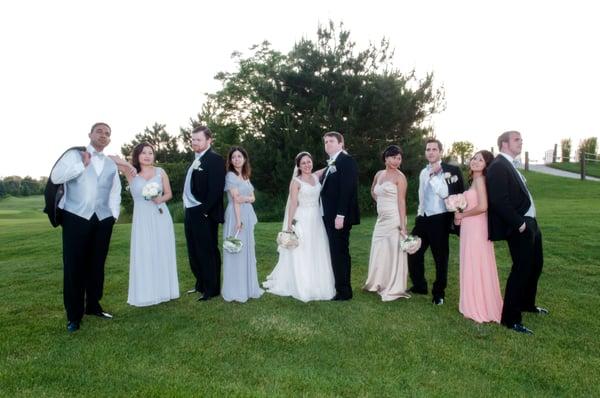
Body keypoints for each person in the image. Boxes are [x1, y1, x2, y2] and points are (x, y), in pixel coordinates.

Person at [49, 122, 121, 332]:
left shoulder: (110, 163)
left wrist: (113, 216)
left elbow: (115, 191)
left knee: (97, 266)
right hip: (76, 218)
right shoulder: (75, 156)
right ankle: (74, 315)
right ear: (90, 134)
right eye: (99, 131)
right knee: (74, 267)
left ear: (109, 140)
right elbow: (56, 177)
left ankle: (93, 306)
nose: (103, 135)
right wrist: (82, 165)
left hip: (103, 220)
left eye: (107, 133)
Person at [487, 131, 547, 334]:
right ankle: (510, 318)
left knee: (535, 265)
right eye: (517, 139)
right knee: (521, 269)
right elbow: (498, 200)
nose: (521, 142)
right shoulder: (498, 166)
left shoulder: (511, 165)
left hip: (531, 223)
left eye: (521, 139)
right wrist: (519, 224)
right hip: (519, 226)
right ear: (504, 144)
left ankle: (527, 304)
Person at [109, 143, 179, 307]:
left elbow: (169, 193)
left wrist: (159, 199)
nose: (148, 156)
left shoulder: (160, 172)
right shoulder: (130, 172)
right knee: (145, 252)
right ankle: (147, 293)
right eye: (143, 153)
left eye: (150, 153)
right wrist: (127, 164)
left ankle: (164, 291)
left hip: (160, 215)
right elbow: (109, 159)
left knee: (162, 251)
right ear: (137, 155)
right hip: (142, 219)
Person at [263, 152, 336, 302]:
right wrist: (289, 224)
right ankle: (302, 283)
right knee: (302, 250)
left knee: (317, 249)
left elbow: (330, 165)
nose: (307, 165)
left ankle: (318, 283)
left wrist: (336, 159)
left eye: (309, 162)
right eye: (303, 163)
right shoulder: (296, 182)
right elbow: (293, 204)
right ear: (298, 166)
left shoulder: (316, 176)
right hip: (302, 218)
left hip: (316, 219)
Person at [408, 138, 464, 305]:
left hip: (440, 219)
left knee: (440, 258)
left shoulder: (450, 170)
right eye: (428, 149)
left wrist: (434, 175)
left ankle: (439, 293)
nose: (430, 152)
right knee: (411, 248)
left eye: (434, 149)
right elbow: (421, 194)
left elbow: (446, 193)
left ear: (440, 152)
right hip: (423, 218)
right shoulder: (423, 172)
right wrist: (419, 213)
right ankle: (419, 285)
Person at [453, 150, 502, 323]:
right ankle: (472, 301)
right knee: (471, 262)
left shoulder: (480, 180)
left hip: (477, 228)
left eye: (480, 160)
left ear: (486, 165)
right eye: (474, 158)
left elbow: (483, 207)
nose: (475, 161)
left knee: (476, 262)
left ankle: (478, 305)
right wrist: (458, 213)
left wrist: (463, 215)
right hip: (469, 227)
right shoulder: (473, 181)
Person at [183, 126, 226, 301]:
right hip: (190, 211)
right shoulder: (196, 159)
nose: (194, 142)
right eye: (193, 139)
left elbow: (216, 189)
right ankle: (200, 284)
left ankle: (212, 289)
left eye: (198, 139)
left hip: (204, 213)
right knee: (193, 249)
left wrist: (205, 211)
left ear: (209, 140)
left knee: (207, 251)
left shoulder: (214, 159)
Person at [363, 145, 411, 301]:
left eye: (399, 158)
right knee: (379, 249)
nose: (396, 161)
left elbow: (402, 201)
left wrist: (403, 226)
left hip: (394, 218)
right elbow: (373, 191)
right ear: (386, 158)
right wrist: (381, 201)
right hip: (381, 219)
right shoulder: (379, 174)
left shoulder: (400, 177)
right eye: (393, 157)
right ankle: (377, 282)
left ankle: (392, 285)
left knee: (392, 250)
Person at [320, 131, 360, 301]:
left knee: (340, 253)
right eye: (325, 141)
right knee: (336, 252)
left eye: (331, 141)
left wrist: (340, 215)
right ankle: (340, 287)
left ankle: (344, 291)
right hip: (330, 216)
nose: (327, 144)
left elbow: (347, 189)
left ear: (340, 143)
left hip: (339, 217)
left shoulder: (346, 161)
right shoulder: (332, 163)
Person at [222, 147, 264, 303]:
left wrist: (246, 199)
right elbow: (236, 199)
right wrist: (238, 221)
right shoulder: (231, 176)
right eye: (233, 157)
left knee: (246, 250)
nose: (236, 159)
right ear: (231, 160)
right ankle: (235, 289)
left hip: (246, 212)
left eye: (239, 156)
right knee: (236, 249)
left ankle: (248, 287)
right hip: (236, 214)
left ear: (245, 159)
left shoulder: (245, 175)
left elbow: (252, 197)